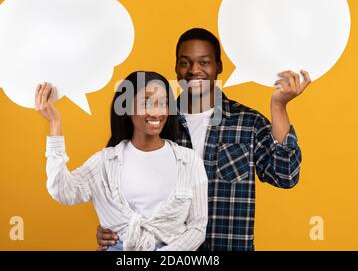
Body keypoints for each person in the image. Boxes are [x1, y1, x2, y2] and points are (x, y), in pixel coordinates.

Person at [97, 28, 311, 251]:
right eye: (185, 63)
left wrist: (279, 106)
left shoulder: (247, 123)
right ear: (176, 68)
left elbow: (285, 175)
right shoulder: (155, 123)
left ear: (219, 66)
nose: (194, 70)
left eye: (204, 62)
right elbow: (126, 189)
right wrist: (112, 230)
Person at [36, 71, 208, 250]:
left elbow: (197, 228)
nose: (157, 112)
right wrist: (55, 123)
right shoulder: (105, 162)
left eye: (163, 103)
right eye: (146, 103)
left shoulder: (189, 161)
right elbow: (62, 191)